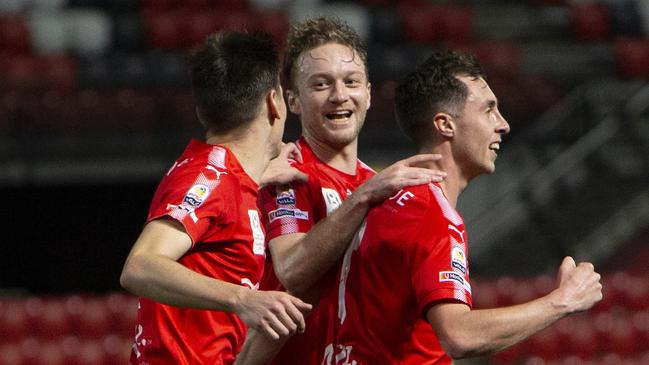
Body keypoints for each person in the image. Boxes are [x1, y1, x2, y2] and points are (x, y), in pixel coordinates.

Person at [314, 51, 603, 364]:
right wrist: (562, 301)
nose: (503, 125)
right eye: (489, 110)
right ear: (445, 124)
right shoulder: (430, 213)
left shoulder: (389, 202)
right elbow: (459, 335)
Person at [234, 16, 447, 365]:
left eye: (351, 82)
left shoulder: (380, 185)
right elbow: (291, 269)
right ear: (294, 101)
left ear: (368, 93)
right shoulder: (287, 173)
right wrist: (363, 196)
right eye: (321, 85)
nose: (339, 96)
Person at [119, 31, 312, 365]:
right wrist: (243, 299)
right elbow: (140, 266)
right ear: (274, 103)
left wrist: (258, 178)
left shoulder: (228, 181)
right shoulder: (209, 178)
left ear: (200, 112)